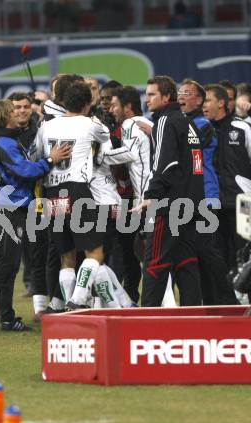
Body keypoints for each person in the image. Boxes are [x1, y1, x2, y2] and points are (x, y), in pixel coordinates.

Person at [0, 99, 71, 332]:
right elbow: (26, 171)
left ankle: (6, 317)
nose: (17, 114)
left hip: (7, 207)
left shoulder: (3, 140)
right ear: (4, 117)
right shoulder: (4, 142)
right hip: (7, 209)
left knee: (9, 264)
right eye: (12, 111)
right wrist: (51, 159)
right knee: (6, 262)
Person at [34, 81, 112, 309]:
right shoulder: (90, 124)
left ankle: (69, 305)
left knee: (65, 256)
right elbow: (105, 135)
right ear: (88, 103)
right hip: (77, 191)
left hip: (52, 193)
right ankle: (77, 299)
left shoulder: (46, 127)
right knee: (95, 252)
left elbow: (35, 154)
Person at [133, 75, 205, 307]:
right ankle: (192, 320)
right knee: (187, 263)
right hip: (192, 204)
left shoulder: (165, 121)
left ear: (166, 97)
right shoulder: (188, 122)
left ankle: (148, 322)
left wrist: (151, 196)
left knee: (154, 262)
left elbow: (164, 164)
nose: (147, 99)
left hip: (170, 205)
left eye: (152, 94)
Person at [177, 79, 237, 305]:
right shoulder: (185, 123)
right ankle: (208, 305)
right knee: (197, 257)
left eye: (186, 93)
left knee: (209, 252)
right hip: (190, 200)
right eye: (179, 93)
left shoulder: (202, 125)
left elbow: (182, 145)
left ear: (199, 100)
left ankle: (231, 301)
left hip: (207, 198)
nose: (181, 97)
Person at [203, 84, 251, 270]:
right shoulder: (201, 131)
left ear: (221, 103)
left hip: (242, 204)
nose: (203, 105)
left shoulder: (243, 128)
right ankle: (225, 299)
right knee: (217, 261)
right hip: (211, 206)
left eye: (207, 100)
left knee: (246, 258)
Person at [108, 85, 152, 304]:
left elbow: (130, 154)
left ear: (127, 107)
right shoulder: (148, 124)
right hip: (149, 194)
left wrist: (98, 157)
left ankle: (160, 300)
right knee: (139, 248)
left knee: (147, 251)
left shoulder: (128, 124)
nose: (111, 109)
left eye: (115, 105)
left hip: (146, 196)